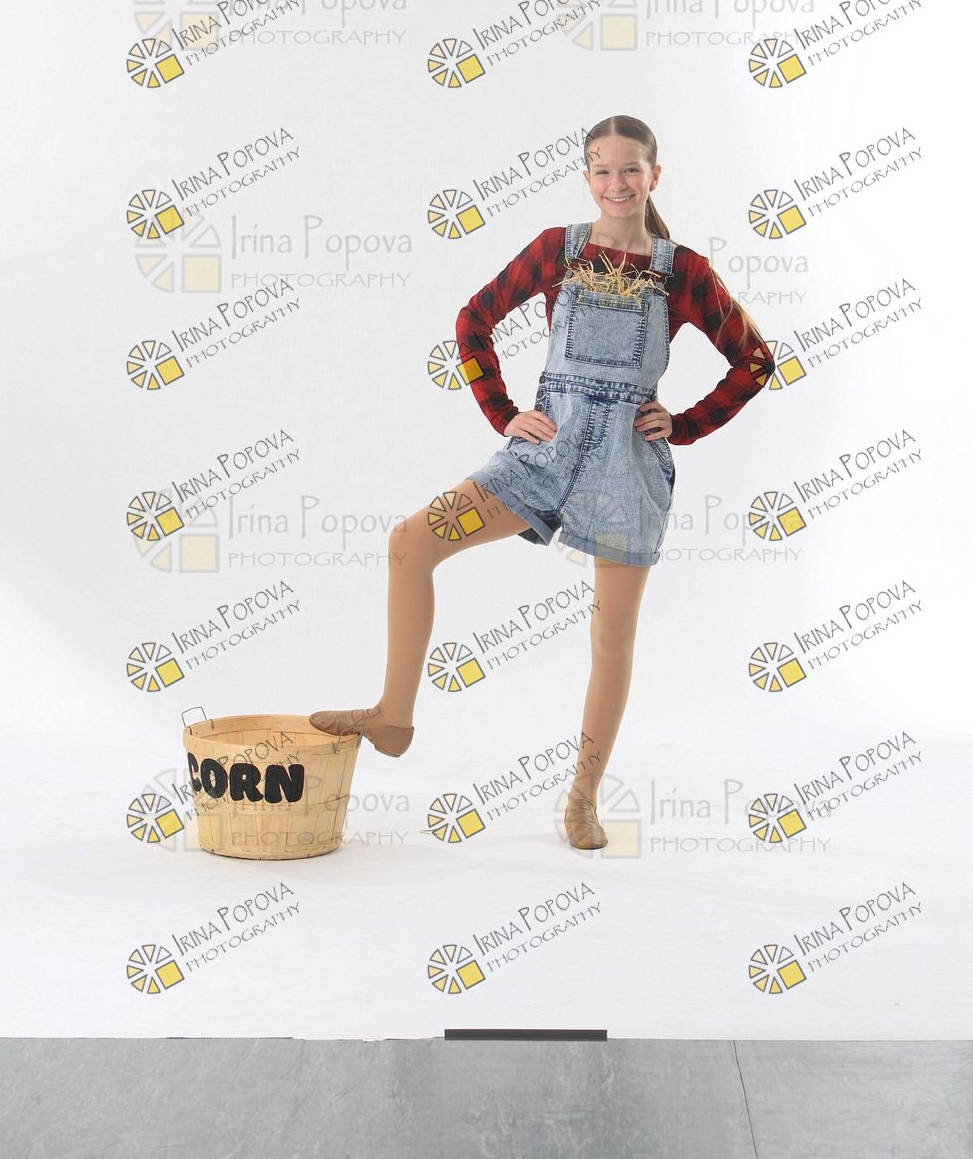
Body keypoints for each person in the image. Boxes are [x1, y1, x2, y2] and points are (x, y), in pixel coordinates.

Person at [310, 114, 776, 850]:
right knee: (411, 542)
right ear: (587, 178)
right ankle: (393, 716)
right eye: (602, 169)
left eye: (630, 169)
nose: (617, 183)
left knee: (610, 634)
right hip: (543, 456)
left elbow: (754, 361)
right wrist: (503, 414)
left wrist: (683, 425)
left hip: (626, 469)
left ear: (654, 176)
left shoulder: (683, 272)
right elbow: (474, 319)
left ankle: (582, 798)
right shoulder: (555, 250)